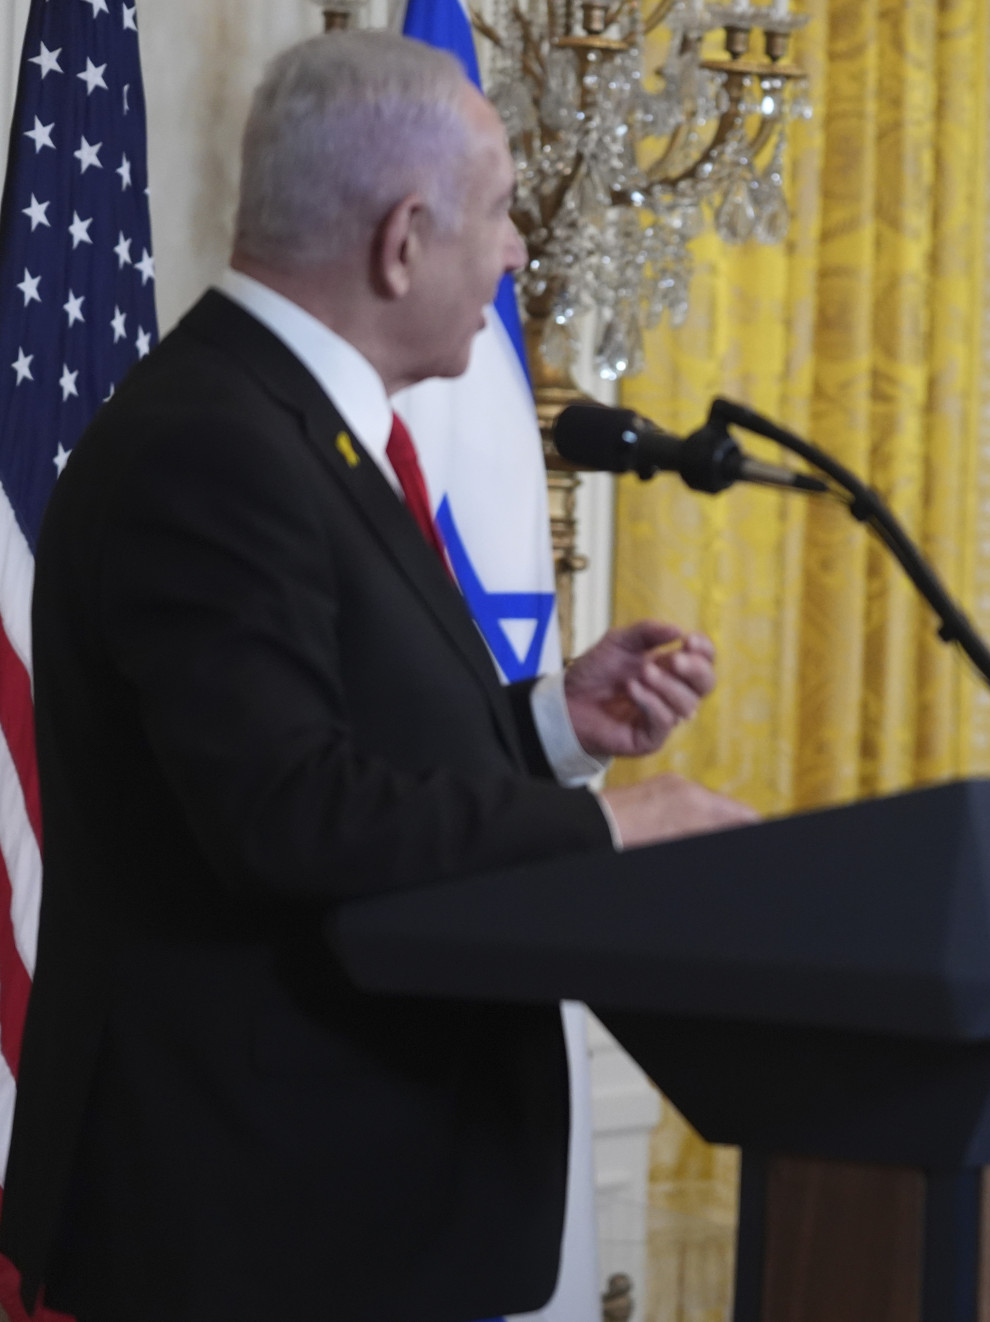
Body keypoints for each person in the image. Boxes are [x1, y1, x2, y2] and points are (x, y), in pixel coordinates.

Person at [0, 33, 756, 1320]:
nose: (516, 250)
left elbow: (336, 742)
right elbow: (285, 811)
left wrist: (549, 724)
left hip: (328, 1210)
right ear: (404, 240)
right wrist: (607, 830)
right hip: (250, 1223)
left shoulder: (293, 429)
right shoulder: (213, 446)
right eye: (502, 211)